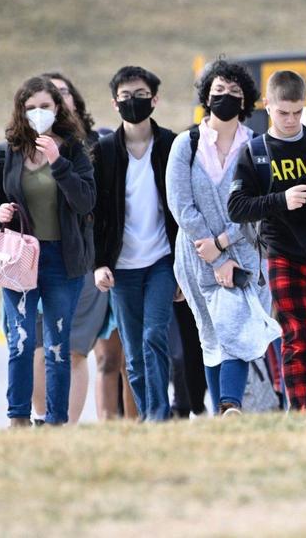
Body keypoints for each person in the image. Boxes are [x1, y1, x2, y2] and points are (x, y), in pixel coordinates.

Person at [167, 59, 281, 416]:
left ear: (245, 100)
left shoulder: (258, 146)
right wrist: (214, 255)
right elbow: (180, 204)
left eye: (234, 92)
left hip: (245, 255)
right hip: (196, 258)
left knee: (236, 327)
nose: (226, 97)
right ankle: (223, 412)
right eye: (219, 91)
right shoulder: (187, 144)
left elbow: (261, 206)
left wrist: (225, 244)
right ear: (206, 96)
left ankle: (231, 405)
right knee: (212, 336)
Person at [0, 76, 95, 426]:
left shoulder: (73, 149)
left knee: (58, 343)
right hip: (20, 258)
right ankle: (18, 417)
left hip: (62, 259)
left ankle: (56, 421)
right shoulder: (6, 152)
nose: (38, 113)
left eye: (45, 106)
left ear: (57, 107)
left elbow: (86, 201)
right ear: (20, 111)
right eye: (30, 108)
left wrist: (58, 161)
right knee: (22, 338)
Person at [227, 70, 306, 410]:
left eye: (297, 112)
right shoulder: (255, 152)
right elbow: (237, 207)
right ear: (267, 106)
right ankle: (303, 413)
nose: (291, 120)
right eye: (283, 112)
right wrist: (280, 200)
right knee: (295, 337)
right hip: (283, 253)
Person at [90, 66, 179, 422]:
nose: (133, 102)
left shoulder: (171, 145)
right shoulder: (105, 151)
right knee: (133, 349)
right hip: (121, 267)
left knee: (155, 335)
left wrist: (184, 269)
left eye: (141, 95)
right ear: (115, 103)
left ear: (154, 99)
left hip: (161, 260)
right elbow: (95, 215)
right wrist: (98, 263)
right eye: (125, 97)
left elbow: (182, 208)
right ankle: (148, 415)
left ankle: (159, 414)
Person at [25, 72, 108, 423]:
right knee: (38, 348)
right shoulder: (21, 148)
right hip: (36, 261)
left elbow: (92, 202)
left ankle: (67, 427)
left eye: (60, 94)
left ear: (70, 102)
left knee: (74, 350)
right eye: (40, 102)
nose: (46, 108)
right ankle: (44, 419)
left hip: (82, 259)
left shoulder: (91, 146)